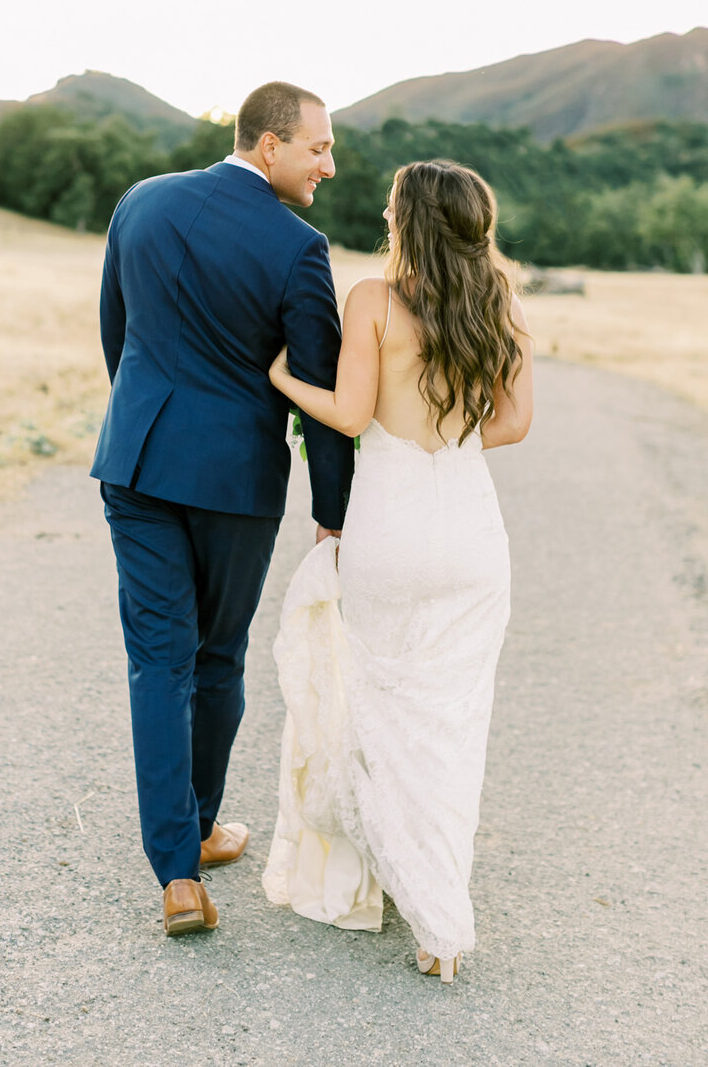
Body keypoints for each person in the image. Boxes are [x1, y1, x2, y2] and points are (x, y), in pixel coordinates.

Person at [91, 82, 355, 937]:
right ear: (270, 144)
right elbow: (319, 392)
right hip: (236, 484)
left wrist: (143, 426)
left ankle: (177, 871)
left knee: (155, 663)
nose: (329, 164)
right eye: (318, 148)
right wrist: (334, 511)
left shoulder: (142, 201)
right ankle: (199, 832)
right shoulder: (298, 248)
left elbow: (116, 333)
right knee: (215, 659)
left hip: (135, 464)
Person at [262, 158, 533, 984]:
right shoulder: (500, 302)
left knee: (384, 715)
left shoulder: (374, 301)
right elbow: (515, 424)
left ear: (407, 221)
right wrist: (448, 448)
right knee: (453, 725)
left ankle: (410, 891)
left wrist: (280, 376)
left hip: (390, 523)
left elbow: (347, 415)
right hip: (470, 530)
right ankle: (439, 923)